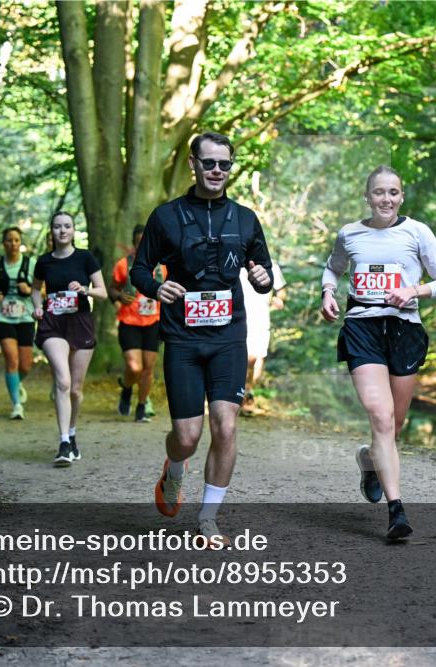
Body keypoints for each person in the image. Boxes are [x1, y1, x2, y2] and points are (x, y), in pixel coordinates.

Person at [131, 131, 274, 544]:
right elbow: (141, 269)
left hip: (229, 336)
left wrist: (261, 278)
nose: (216, 171)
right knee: (188, 437)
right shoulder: (166, 216)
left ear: (231, 167)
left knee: (226, 427)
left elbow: (262, 273)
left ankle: (208, 518)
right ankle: (174, 469)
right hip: (182, 339)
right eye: (208, 163)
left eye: (224, 164)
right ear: (193, 164)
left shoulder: (245, 218)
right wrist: (157, 288)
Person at [320, 165, 436, 540]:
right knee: (380, 416)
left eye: (393, 192)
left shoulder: (417, 232)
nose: (386, 199)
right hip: (362, 328)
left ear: (401, 197)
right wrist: (328, 293)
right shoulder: (350, 234)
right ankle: (397, 512)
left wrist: (413, 292)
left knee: (392, 427)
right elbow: (332, 270)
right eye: (379, 192)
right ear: (367, 196)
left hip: (404, 329)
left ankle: (368, 459)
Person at [31, 211, 106, 467]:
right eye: (57, 227)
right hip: (53, 324)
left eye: (67, 226)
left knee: (75, 388)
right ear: (51, 231)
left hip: (80, 323)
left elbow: (103, 292)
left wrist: (85, 289)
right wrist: (38, 307)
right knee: (62, 382)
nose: (62, 231)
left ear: (73, 230)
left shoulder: (85, 258)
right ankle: (63, 442)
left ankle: (72, 433)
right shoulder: (43, 261)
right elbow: (34, 289)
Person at [109, 224, 164, 423]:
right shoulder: (124, 264)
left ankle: (141, 407)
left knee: (148, 367)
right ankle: (126, 389)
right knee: (134, 368)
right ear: (134, 242)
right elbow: (112, 289)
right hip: (129, 320)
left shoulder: (163, 266)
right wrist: (118, 296)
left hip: (154, 321)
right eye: (139, 241)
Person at [0, 227, 37, 420]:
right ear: (3, 243)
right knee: (12, 360)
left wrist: (29, 289)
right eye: (9, 240)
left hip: (26, 318)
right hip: (2, 317)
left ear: (21, 243)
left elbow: (43, 290)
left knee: (26, 365)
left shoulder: (31, 264)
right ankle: (17, 405)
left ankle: (15, 383)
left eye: (16, 240)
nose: (13, 244)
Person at [239, 263, 287, 416]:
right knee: (246, 359)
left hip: (261, 317)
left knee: (259, 357)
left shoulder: (271, 265)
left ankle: (249, 392)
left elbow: (281, 290)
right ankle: (242, 394)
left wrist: (278, 299)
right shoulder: (236, 261)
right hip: (240, 318)